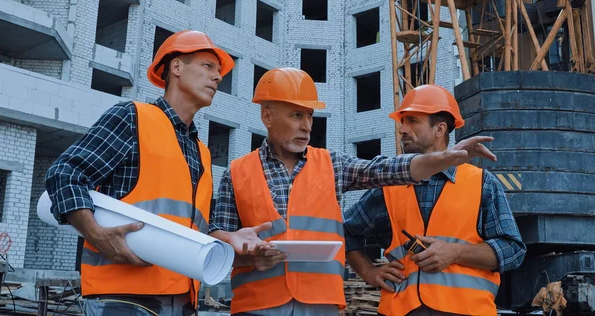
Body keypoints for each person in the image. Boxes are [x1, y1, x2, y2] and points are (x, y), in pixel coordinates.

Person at [209, 68, 500, 316]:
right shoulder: (236, 173)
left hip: (320, 305)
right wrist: (248, 258)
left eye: (310, 116)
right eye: (296, 115)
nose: (306, 126)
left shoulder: (331, 165)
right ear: (267, 116)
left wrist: (444, 158)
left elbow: (385, 169)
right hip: (257, 306)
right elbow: (216, 248)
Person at [45, 30, 236, 315]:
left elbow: (191, 224)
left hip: (183, 299)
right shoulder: (132, 117)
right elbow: (64, 174)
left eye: (219, 71)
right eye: (208, 66)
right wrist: (95, 233)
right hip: (121, 299)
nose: (218, 77)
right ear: (177, 67)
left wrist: (233, 239)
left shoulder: (201, 152)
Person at [343, 84, 527, 316]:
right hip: (401, 311)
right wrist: (369, 272)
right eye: (402, 121)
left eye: (412, 121)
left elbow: (513, 250)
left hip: (466, 310)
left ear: (440, 129)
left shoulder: (482, 183)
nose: (402, 129)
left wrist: (454, 253)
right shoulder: (389, 186)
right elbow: (344, 229)